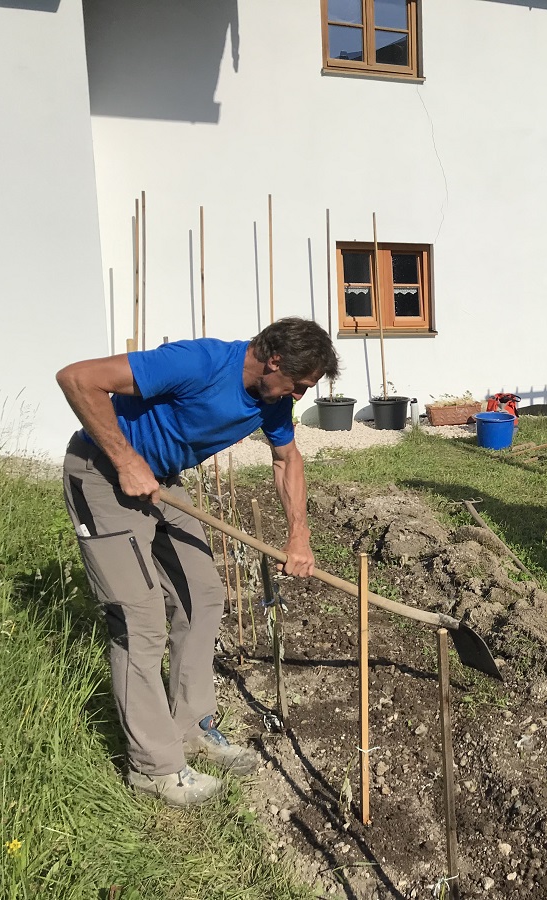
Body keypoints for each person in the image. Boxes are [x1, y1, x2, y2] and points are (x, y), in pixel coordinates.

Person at [57, 317, 340, 804]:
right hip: (102, 474)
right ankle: (153, 769)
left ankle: (188, 727)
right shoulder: (200, 363)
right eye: (298, 386)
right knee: (139, 619)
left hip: (162, 484)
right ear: (274, 361)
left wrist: (299, 535)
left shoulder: (270, 400)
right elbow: (77, 378)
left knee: (203, 596)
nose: (297, 397)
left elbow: (286, 459)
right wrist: (126, 460)